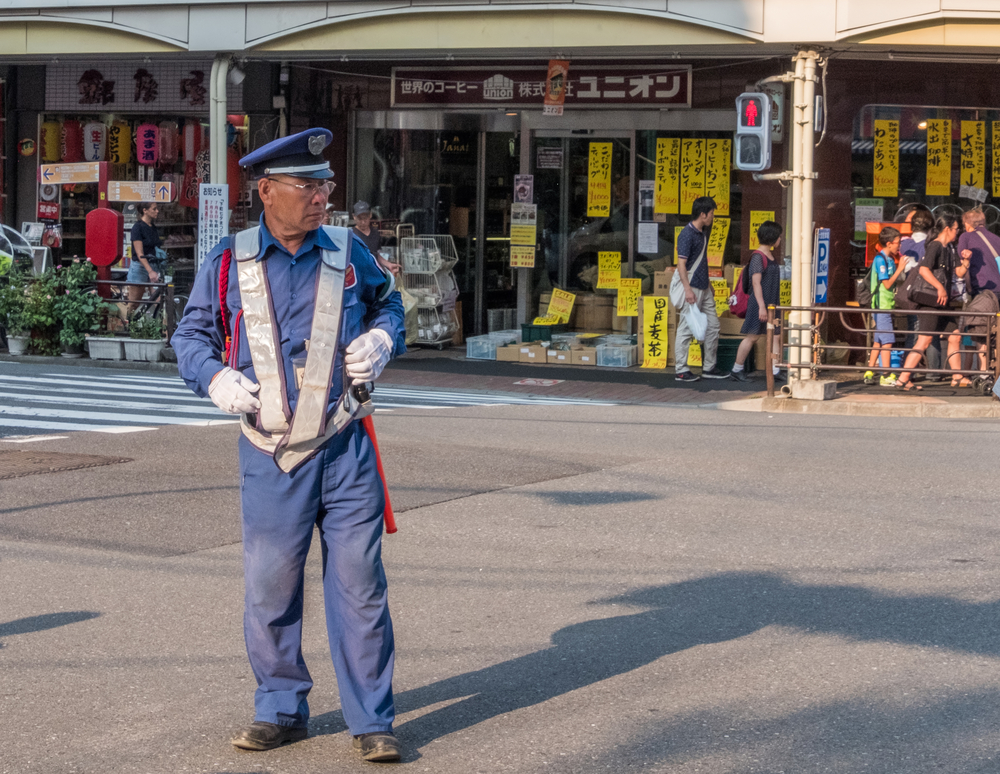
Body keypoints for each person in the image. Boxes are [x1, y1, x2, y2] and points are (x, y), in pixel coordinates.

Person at [172, 128, 406, 763]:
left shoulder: (351, 251)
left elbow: (391, 308)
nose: (321, 198)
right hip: (272, 450)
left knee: (360, 585)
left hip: (345, 444)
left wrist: (384, 341)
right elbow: (190, 336)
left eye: (325, 186)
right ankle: (280, 705)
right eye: (308, 186)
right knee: (271, 585)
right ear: (267, 191)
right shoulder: (230, 260)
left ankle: (372, 719)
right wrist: (213, 377)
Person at [895, 214, 959, 391]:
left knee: (954, 335)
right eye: (956, 229)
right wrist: (940, 287)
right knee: (924, 340)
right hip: (931, 301)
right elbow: (924, 270)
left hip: (941, 302)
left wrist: (966, 261)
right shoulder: (935, 246)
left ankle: (958, 376)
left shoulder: (948, 248)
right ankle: (903, 378)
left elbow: (959, 272)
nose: (957, 232)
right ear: (947, 229)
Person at [674, 196, 727, 382]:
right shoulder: (686, 234)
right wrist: (687, 290)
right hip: (693, 288)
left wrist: (709, 284)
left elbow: (702, 261)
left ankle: (709, 367)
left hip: (703, 287)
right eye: (712, 213)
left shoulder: (703, 232)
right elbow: (682, 264)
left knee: (713, 326)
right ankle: (681, 368)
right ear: (703, 214)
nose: (713, 216)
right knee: (686, 328)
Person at [730, 220, 784, 383]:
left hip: (772, 304)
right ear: (773, 238)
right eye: (779, 236)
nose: (780, 239)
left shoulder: (768, 256)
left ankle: (775, 370)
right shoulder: (758, 257)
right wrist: (761, 306)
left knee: (776, 336)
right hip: (759, 304)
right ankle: (736, 369)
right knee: (752, 336)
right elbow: (755, 283)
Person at [863, 227, 906, 387]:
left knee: (878, 341)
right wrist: (900, 269)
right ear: (889, 243)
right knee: (888, 341)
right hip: (882, 305)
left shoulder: (888, 259)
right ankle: (885, 375)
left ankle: (869, 370)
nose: (899, 245)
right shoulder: (880, 260)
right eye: (898, 242)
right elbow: (887, 284)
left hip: (885, 305)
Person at [899, 209, 933, 360]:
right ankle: (911, 367)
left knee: (912, 327)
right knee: (924, 332)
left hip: (908, 290)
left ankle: (911, 363)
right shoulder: (930, 245)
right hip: (927, 292)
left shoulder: (904, 243)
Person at [127, 202, 162, 314]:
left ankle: (162, 325)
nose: (157, 211)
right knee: (134, 302)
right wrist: (150, 271)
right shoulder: (137, 228)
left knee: (159, 299)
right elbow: (139, 253)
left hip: (153, 264)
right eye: (154, 209)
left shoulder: (153, 227)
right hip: (140, 266)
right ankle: (127, 326)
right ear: (145, 210)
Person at [957, 207, 1000, 295]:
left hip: (982, 287)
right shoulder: (996, 238)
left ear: (967, 224)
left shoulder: (965, 237)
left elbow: (962, 258)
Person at [352, 201, 400, 277]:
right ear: (354, 217)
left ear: (370, 215)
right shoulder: (351, 234)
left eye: (365, 218)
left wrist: (388, 264)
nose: (363, 222)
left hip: (373, 274)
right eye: (360, 219)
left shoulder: (375, 233)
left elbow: (376, 254)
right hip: (358, 275)